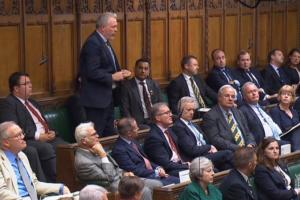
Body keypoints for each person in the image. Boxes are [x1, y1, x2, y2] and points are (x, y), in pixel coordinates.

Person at [0, 72, 67, 182]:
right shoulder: (9, 103)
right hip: (28, 139)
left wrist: (52, 132)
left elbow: (45, 122)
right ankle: (54, 183)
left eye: (30, 83)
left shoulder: (33, 102)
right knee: (46, 148)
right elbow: (13, 127)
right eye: (26, 83)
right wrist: (38, 136)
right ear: (16, 88)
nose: (30, 86)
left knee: (67, 147)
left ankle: (70, 179)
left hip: (48, 138)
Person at [74, 122, 160, 200]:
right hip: (111, 187)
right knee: (145, 191)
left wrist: (124, 173)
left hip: (123, 180)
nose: (98, 136)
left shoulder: (95, 148)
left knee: (157, 184)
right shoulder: (83, 162)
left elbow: (116, 168)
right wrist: (103, 155)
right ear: (84, 141)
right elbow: (110, 177)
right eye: (94, 134)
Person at [79, 12, 131, 137]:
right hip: (96, 101)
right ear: (103, 27)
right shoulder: (93, 43)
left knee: (110, 136)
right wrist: (112, 77)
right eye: (113, 27)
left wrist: (121, 73)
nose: (116, 30)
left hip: (108, 98)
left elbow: (106, 68)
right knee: (98, 136)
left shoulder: (104, 42)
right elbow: (92, 71)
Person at [0, 121, 70, 200]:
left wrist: (60, 188)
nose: (23, 137)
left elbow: (34, 184)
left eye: (22, 133)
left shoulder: (22, 156)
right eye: (18, 135)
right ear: (6, 142)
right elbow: (1, 192)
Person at [112, 118, 179, 185]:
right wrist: (155, 172)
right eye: (136, 128)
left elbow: (146, 160)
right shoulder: (119, 150)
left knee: (179, 181)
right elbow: (134, 170)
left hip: (152, 174)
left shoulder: (133, 141)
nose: (138, 129)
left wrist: (158, 167)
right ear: (129, 133)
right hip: (141, 179)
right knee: (175, 183)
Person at [172, 96, 233, 170]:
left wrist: (210, 148)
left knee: (227, 167)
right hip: (197, 159)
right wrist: (209, 147)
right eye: (188, 110)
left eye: (193, 110)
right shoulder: (178, 127)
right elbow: (191, 150)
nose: (192, 112)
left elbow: (206, 141)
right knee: (228, 153)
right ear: (180, 110)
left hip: (207, 154)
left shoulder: (194, 124)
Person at [202, 85, 256, 151]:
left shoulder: (238, 112)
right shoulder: (210, 116)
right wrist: (239, 148)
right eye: (227, 96)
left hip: (246, 150)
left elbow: (248, 132)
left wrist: (250, 144)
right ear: (219, 97)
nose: (230, 99)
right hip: (230, 152)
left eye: (233, 97)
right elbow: (215, 139)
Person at [143, 103, 189, 177]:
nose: (171, 115)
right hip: (169, 171)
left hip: (180, 165)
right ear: (158, 118)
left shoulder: (169, 130)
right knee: (200, 173)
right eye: (167, 113)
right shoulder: (153, 138)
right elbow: (165, 164)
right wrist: (187, 166)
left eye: (170, 112)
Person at [120, 58, 163, 129]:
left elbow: (161, 104)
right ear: (135, 69)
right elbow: (125, 109)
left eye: (146, 69)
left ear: (149, 71)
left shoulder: (154, 84)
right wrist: (131, 124)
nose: (143, 71)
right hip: (138, 123)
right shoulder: (126, 86)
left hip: (154, 120)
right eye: (140, 68)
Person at [269, 85, 300, 151]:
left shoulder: (294, 112)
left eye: (289, 95)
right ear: (279, 96)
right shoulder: (275, 111)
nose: (286, 96)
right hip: (285, 140)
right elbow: (278, 132)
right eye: (283, 94)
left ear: (292, 98)